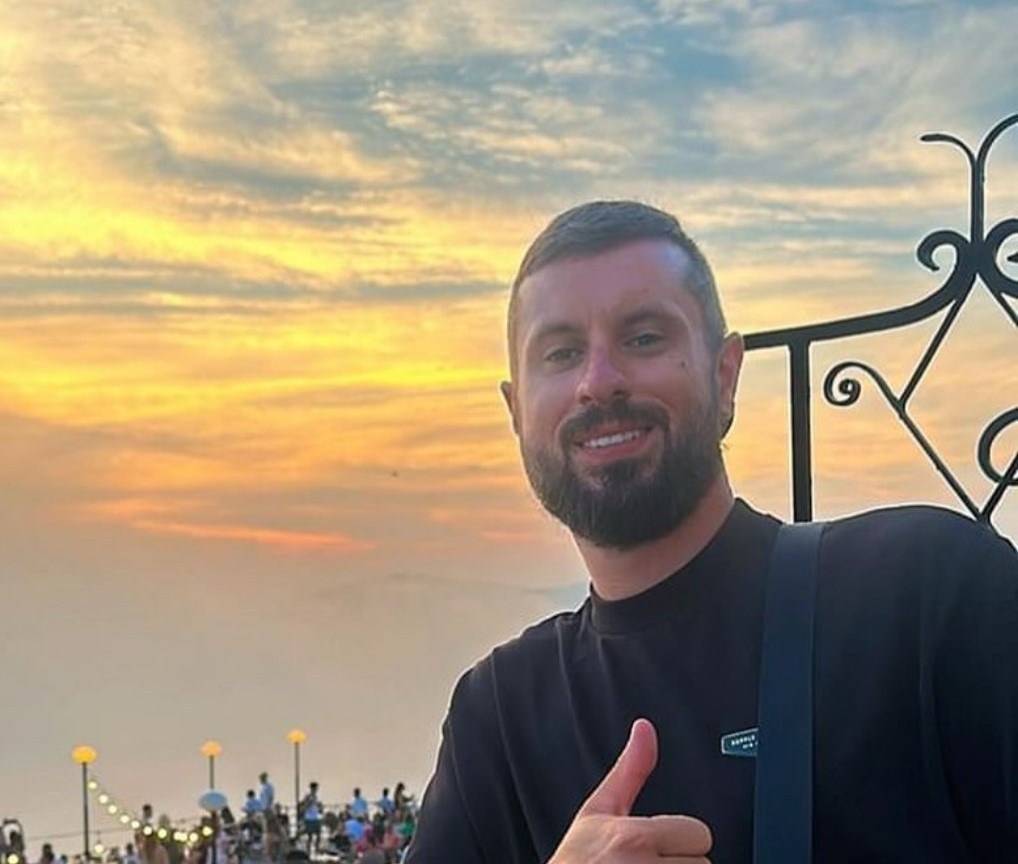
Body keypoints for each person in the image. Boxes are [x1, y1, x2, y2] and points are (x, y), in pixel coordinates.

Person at [404, 200, 1018, 864]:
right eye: (561, 353)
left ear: (725, 376)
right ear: (517, 411)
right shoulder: (498, 715)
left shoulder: (929, 597)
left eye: (644, 338)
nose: (598, 382)